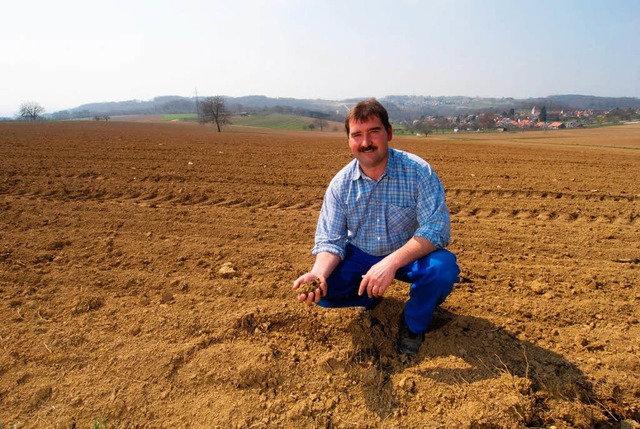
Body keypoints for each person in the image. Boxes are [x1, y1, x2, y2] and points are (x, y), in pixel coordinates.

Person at [293, 98, 460, 357]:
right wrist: (318, 273)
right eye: (357, 135)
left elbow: (436, 228)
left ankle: (414, 323)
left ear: (389, 133)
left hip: (408, 254)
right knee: (324, 291)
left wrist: (390, 264)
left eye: (374, 132)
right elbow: (331, 240)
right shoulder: (340, 185)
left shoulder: (418, 172)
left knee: (443, 268)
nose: (365, 142)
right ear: (349, 140)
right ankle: (367, 297)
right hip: (361, 254)